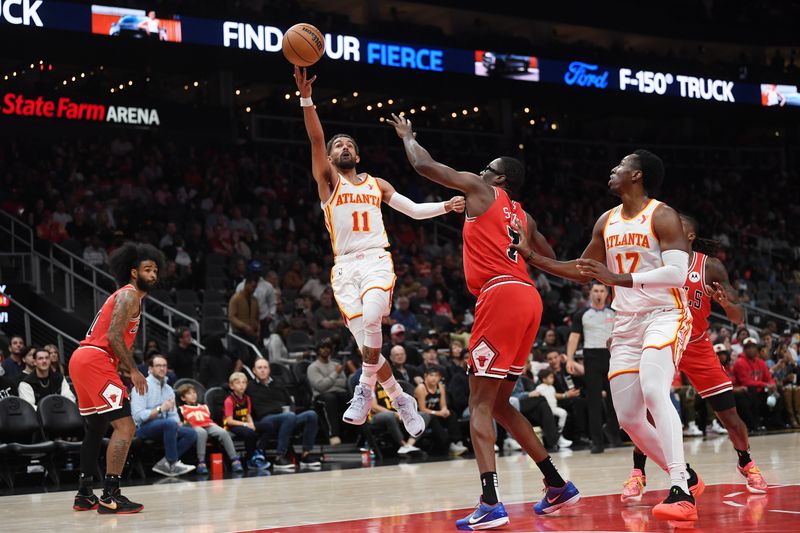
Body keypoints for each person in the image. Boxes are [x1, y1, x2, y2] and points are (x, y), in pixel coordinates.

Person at [388, 113, 578, 529]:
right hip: (529, 299)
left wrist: (408, 137)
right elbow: (548, 259)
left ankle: (490, 501)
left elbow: (424, 166)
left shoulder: (480, 189)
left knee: (477, 403)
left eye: (487, 168)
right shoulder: (523, 217)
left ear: (500, 178)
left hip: (500, 296)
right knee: (499, 404)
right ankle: (556, 482)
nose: (479, 171)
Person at [511, 150, 699, 521]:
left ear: (637, 175)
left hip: (665, 314)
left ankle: (681, 490)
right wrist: (533, 257)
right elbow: (584, 270)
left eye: (621, 166)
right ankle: (688, 474)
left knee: (653, 388)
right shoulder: (607, 220)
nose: (612, 169)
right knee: (628, 417)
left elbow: (679, 274)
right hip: (626, 322)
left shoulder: (663, 215)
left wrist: (620, 279)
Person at [294, 67, 464, 442]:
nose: (343, 148)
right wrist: (306, 98)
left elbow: (416, 211)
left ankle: (365, 390)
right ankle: (401, 398)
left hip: (375, 259)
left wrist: (445, 207)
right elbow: (316, 138)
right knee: (367, 346)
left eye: (349, 144)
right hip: (344, 270)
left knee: (373, 319)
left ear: (358, 152)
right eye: (338, 145)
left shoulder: (377, 184)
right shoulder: (328, 182)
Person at [622, 214, 768, 501]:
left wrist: (726, 304)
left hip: (697, 344)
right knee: (648, 411)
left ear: (689, 235)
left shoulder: (710, 266)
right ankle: (638, 473)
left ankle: (746, 462)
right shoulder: (654, 261)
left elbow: (738, 318)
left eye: (679, 226)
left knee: (729, 416)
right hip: (662, 339)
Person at [68, 242, 163, 514]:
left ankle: (84, 493)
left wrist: (123, 366)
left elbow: (114, 340)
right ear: (133, 272)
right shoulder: (129, 295)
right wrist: (133, 370)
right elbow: (112, 336)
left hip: (83, 358)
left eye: (156, 270)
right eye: (148, 269)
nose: (153, 274)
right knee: (126, 426)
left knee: (96, 428)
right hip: (96, 359)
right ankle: (111, 495)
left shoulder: (128, 297)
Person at [566, 281, 620, 453]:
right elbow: (574, 337)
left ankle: (614, 435)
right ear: (590, 293)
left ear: (607, 294)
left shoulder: (615, 312)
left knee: (616, 401)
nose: (598, 294)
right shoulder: (582, 313)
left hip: (612, 356)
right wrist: (569, 359)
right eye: (595, 291)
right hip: (591, 357)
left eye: (601, 291)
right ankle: (597, 442)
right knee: (594, 402)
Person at [248, 358, 321, 470]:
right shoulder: (249, 386)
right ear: (254, 370)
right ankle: (279, 457)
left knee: (311, 414)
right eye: (259, 368)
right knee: (289, 417)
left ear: (269, 370)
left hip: (286, 417)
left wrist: (291, 410)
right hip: (266, 420)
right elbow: (230, 387)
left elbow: (290, 402)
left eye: (265, 367)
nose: (262, 370)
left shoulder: (278, 383)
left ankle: (306, 454)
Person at [131, 355, 197, 477]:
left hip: (166, 427)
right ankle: (173, 463)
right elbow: (138, 416)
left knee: (191, 432)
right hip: (143, 428)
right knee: (169, 424)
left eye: (164, 366)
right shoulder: (141, 386)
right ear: (150, 369)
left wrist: (178, 423)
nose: (162, 368)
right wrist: (160, 409)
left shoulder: (168, 389)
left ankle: (166, 463)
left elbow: (172, 414)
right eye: (158, 366)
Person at [176, 383, 243, 475]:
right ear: (183, 398)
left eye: (194, 392)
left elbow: (210, 419)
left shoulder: (204, 407)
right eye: (189, 394)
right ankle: (201, 462)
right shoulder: (182, 409)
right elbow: (182, 423)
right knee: (202, 433)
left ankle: (235, 460)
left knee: (223, 432)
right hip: (194, 426)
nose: (193, 395)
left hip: (208, 424)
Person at [223, 372, 272, 470]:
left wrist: (251, 423)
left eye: (244, 383)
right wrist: (246, 424)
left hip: (244, 423)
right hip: (233, 426)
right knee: (250, 433)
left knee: (269, 426)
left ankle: (259, 451)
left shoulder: (247, 398)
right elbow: (229, 421)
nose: (241, 385)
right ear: (232, 386)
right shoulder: (229, 400)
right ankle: (251, 459)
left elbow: (248, 414)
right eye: (238, 383)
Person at [414, 366, 467, 456]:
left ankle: (457, 441)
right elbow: (422, 409)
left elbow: (443, 405)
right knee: (432, 418)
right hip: (423, 415)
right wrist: (439, 413)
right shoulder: (421, 388)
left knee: (451, 414)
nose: (434, 378)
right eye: (431, 375)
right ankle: (448, 444)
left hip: (436, 412)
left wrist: (444, 410)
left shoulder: (440, 386)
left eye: (437, 376)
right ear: (425, 376)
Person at [307, 338, 349, 445]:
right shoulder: (313, 367)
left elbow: (343, 383)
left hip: (337, 394)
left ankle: (353, 434)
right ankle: (333, 435)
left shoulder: (336, 364)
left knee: (348, 396)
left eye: (328, 348)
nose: (325, 350)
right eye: (322, 347)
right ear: (318, 350)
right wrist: (335, 374)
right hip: (320, 398)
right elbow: (320, 387)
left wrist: (328, 383)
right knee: (330, 398)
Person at [369, 383, 420, 455]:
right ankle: (404, 445)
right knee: (390, 415)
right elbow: (374, 407)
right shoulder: (370, 384)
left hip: (396, 413)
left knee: (423, 415)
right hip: (375, 416)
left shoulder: (392, 383)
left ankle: (409, 445)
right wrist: (395, 414)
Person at [228, 273, 261, 366]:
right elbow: (231, 317)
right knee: (245, 356)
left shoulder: (254, 300)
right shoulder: (236, 298)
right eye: (252, 286)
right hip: (239, 334)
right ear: (246, 284)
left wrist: (258, 329)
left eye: (255, 287)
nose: (254, 289)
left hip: (252, 334)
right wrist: (244, 326)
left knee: (255, 356)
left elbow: (257, 317)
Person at [535, 369, 571, 448]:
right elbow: (537, 396)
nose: (553, 379)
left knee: (563, 413)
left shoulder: (552, 387)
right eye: (551, 377)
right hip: (547, 410)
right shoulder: (539, 388)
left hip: (554, 407)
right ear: (544, 379)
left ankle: (559, 430)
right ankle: (556, 437)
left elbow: (555, 395)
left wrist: (565, 395)